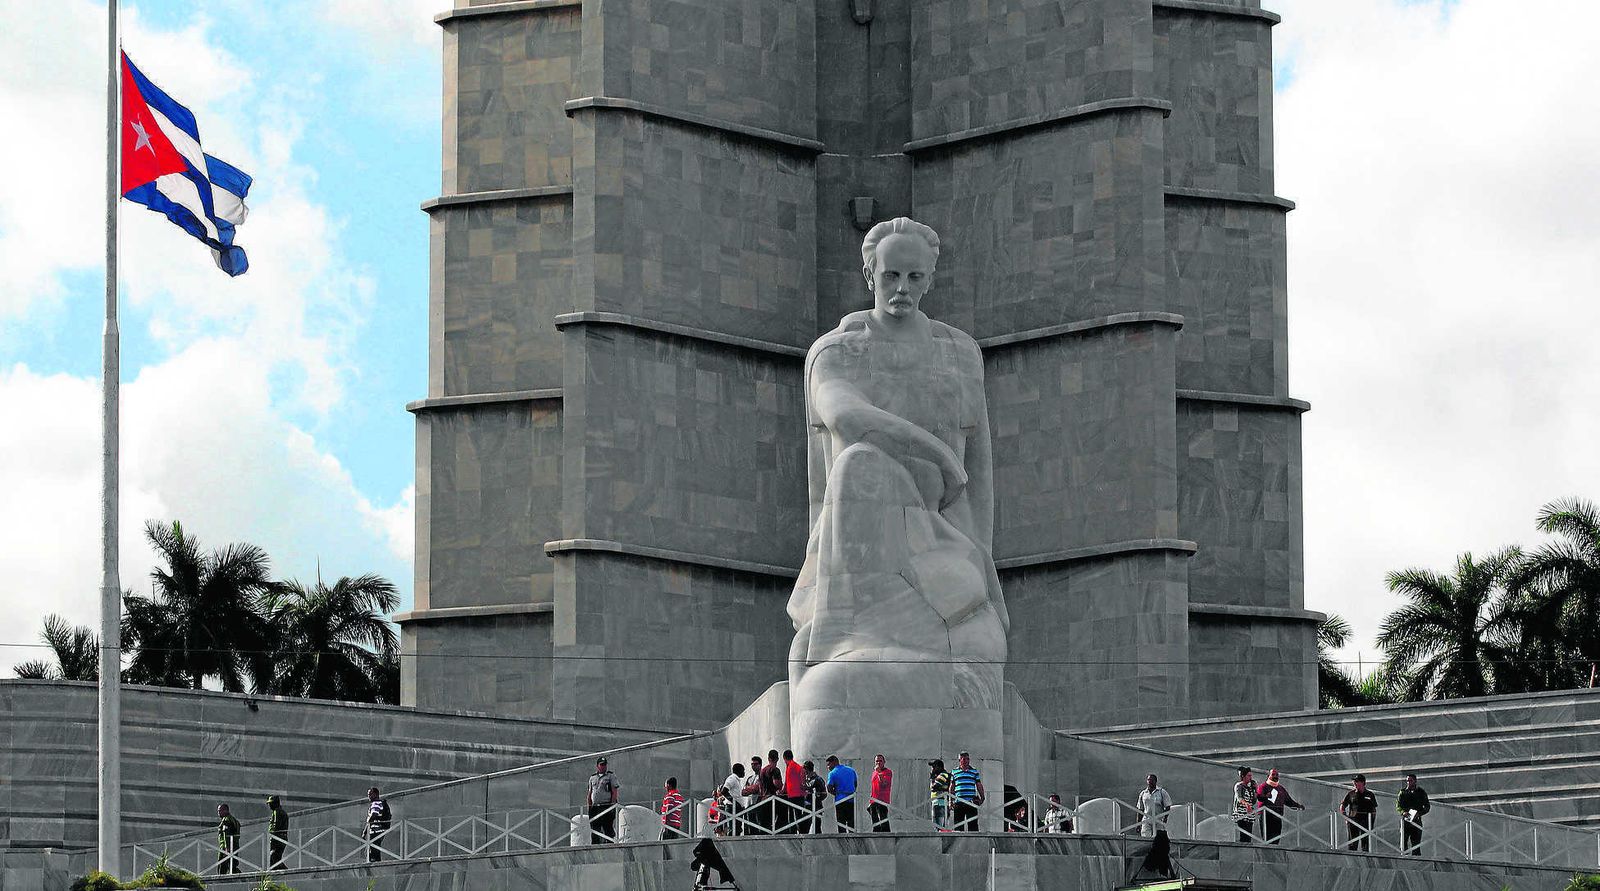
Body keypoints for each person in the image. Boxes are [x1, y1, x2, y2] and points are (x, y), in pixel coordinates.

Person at [1256, 768, 1304, 845]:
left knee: (1276, 838)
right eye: (1273, 774)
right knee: (1267, 839)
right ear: (1268, 776)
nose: (1275, 776)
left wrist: (1298, 806)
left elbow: (1288, 801)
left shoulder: (1281, 789)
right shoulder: (1263, 786)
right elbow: (1259, 797)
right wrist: (1266, 796)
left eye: (1277, 775)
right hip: (1266, 816)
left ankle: (1274, 854)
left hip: (1277, 816)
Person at [1340, 774, 1378, 852]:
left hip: (1365, 820)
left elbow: (1374, 809)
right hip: (1353, 820)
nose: (1354, 783)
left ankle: (1366, 859)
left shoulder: (1370, 794)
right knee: (1352, 842)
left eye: (1357, 781)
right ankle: (1353, 859)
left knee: (1365, 842)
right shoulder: (1351, 794)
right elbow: (1342, 805)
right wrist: (1346, 818)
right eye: (1354, 781)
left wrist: (1372, 822)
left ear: (1363, 782)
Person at [587, 757, 620, 844]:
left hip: (606, 806)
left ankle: (609, 846)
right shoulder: (592, 778)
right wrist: (589, 807)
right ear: (597, 766)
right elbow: (590, 793)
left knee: (608, 828)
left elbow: (614, 792)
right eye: (601, 765)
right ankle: (595, 847)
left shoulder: (610, 776)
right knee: (595, 830)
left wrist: (612, 806)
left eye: (605, 765)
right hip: (595, 807)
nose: (603, 767)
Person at [1396, 773, 1431, 855]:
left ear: (1415, 781)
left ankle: (1417, 859)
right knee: (1403, 842)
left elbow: (1427, 806)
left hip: (1416, 820)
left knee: (1416, 843)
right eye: (1407, 781)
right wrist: (1403, 812)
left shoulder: (1421, 792)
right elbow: (1398, 806)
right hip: (1405, 820)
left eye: (1410, 781)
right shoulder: (1402, 792)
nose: (1408, 783)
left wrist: (1419, 814)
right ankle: (1404, 857)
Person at [950, 752, 985, 832]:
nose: (966, 761)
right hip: (959, 801)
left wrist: (982, 797)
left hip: (971, 802)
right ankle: (958, 843)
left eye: (967, 759)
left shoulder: (974, 771)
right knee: (958, 826)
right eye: (964, 759)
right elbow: (952, 786)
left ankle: (974, 843)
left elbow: (978, 784)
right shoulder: (954, 772)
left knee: (973, 826)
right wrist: (950, 800)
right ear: (960, 760)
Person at [826, 754, 858, 832]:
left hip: (840, 800)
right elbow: (855, 784)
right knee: (851, 822)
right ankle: (852, 839)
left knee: (841, 823)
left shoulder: (832, 773)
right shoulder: (851, 770)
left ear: (834, 762)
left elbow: (829, 787)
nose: (828, 767)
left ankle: (842, 840)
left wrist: (835, 793)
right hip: (851, 799)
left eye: (828, 764)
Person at [759, 750, 785, 834]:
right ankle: (778, 832)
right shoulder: (775, 770)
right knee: (782, 816)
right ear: (777, 759)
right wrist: (782, 787)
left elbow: (760, 786)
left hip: (764, 798)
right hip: (772, 799)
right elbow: (776, 783)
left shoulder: (762, 771)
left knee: (765, 823)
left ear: (768, 758)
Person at [782, 750, 807, 834]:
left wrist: (782, 791)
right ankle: (802, 831)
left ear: (784, 758)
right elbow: (803, 779)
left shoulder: (789, 767)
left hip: (792, 795)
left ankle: (793, 831)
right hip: (800, 794)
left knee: (792, 816)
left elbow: (786, 782)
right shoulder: (798, 766)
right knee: (799, 815)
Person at [364, 787, 392, 862]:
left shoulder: (376, 803)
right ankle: (376, 864)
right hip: (379, 830)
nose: (369, 796)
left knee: (373, 850)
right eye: (368, 795)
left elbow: (373, 814)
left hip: (375, 830)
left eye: (370, 794)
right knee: (375, 849)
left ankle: (374, 866)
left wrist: (365, 831)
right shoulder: (379, 803)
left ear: (376, 794)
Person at [1231, 767, 1258, 843]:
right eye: (1248, 776)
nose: (1250, 778)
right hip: (1241, 814)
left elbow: (1253, 801)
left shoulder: (1250, 788)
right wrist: (1247, 805)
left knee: (1248, 837)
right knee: (1243, 836)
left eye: (1251, 776)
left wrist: (1255, 790)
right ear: (1243, 776)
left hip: (1249, 815)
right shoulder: (1239, 786)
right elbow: (1240, 798)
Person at [721, 762, 748, 836]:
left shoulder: (737, 780)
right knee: (733, 829)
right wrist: (735, 803)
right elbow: (724, 791)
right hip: (732, 807)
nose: (744, 772)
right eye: (743, 770)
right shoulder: (732, 778)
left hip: (736, 808)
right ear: (739, 771)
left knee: (737, 829)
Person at [868, 754, 894, 832]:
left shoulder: (888, 772)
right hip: (873, 800)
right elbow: (873, 787)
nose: (878, 763)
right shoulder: (874, 773)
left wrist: (879, 772)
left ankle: (887, 836)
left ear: (884, 762)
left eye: (880, 761)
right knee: (875, 822)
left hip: (882, 800)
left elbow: (884, 784)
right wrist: (870, 800)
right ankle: (876, 836)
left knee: (883, 820)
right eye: (877, 761)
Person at [803, 760, 828, 833]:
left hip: (816, 806)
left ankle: (819, 843)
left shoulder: (818, 779)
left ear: (807, 770)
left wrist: (817, 799)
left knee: (817, 827)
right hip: (807, 806)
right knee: (805, 827)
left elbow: (824, 793)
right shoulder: (806, 779)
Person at [215, 804, 241, 874]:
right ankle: (239, 878)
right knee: (232, 865)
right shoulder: (233, 820)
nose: (218, 813)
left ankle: (220, 882)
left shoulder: (226, 820)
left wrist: (227, 847)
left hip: (225, 847)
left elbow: (226, 833)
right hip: (234, 845)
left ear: (226, 810)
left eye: (220, 811)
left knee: (222, 867)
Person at [267, 794, 290, 870]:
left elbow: (276, 826)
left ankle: (286, 871)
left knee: (274, 857)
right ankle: (274, 874)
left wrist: (272, 834)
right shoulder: (281, 812)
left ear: (275, 803)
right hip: (281, 837)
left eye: (270, 803)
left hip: (278, 838)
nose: (269, 805)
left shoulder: (277, 812)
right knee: (275, 859)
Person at [928, 759, 952, 831]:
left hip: (940, 804)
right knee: (941, 828)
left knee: (939, 828)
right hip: (941, 803)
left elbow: (933, 787)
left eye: (933, 767)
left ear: (939, 767)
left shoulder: (943, 775)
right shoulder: (942, 775)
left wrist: (932, 778)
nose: (932, 769)